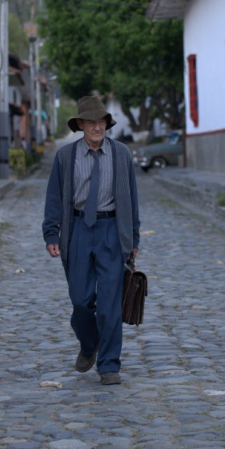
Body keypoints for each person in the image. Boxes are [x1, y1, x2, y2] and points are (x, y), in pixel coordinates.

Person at [42, 95, 141, 386]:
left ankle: (109, 365)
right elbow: (53, 198)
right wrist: (51, 232)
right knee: (81, 300)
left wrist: (134, 236)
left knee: (110, 303)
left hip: (112, 229)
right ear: (81, 125)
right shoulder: (65, 157)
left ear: (106, 124)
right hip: (79, 231)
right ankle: (89, 343)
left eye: (102, 122)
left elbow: (132, 198)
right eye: (91, 122)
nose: (97, 127)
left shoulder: (121, 154)